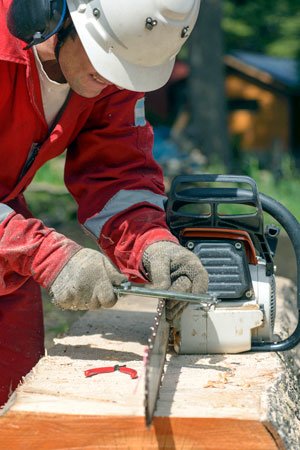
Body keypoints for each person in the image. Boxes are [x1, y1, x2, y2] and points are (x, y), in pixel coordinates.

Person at [0, 0, 208, 406]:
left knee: (21, 407)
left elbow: (116, 173)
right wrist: (44, 253)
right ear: (53, 14)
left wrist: (152, 244)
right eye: (105, 63)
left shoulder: (110, 71)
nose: (113, 80)